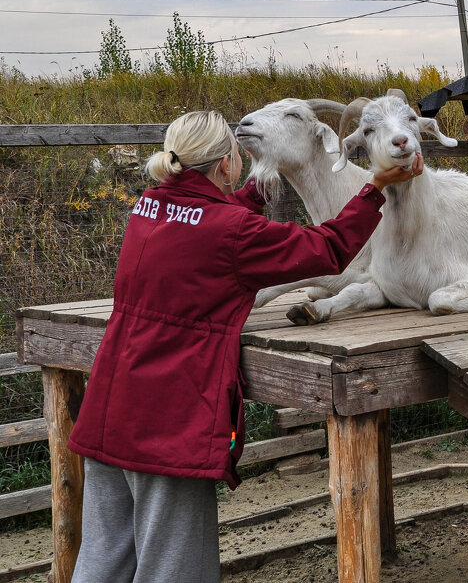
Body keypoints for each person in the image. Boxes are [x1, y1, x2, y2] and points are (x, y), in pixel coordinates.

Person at [66, 110, 420, 583]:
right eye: (236, 154)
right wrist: (373, 189)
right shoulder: (231, 233)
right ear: (226, 166)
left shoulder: (147, 207)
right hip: (168, 429)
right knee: (173, 571)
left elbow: (205, 228)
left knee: (101, 564)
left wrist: (254, 194)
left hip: (109, 413)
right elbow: (327, 248)